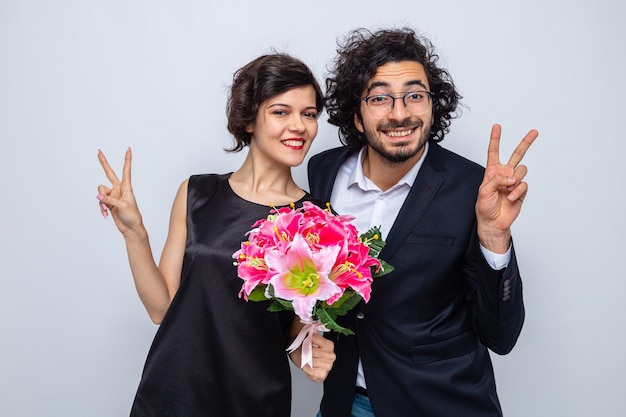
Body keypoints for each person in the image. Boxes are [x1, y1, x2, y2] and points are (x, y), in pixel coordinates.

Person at [308, 27, 538, 417]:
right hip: (346, 402)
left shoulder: (473, 188)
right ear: (357, 117)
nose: (400, 113)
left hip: (442, 403)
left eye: (415, 95)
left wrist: (494, 237)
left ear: (433, 107)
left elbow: (501, 336)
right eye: (380, 98)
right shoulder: (324, 171)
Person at [96, 53, 335, 417]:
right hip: (172, 393)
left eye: (309, 114)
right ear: (249, 119)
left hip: (254, 401)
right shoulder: (196, 194)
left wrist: (312, 355)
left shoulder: (315, 220)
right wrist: (135, 233)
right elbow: (162, 309)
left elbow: (295, 334)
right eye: (281, 111)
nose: (299, 126)